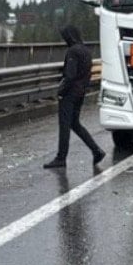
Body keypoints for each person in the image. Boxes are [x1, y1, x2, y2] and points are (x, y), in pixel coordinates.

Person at [44, 25, 106, 169]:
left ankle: (61, 158)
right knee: (75, 124)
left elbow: (70, 75)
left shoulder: (73, 51)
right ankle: (96, 150)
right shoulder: (85, 50)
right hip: (81, 92)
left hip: (70, 93)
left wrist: (61, 91)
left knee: (64, 125)